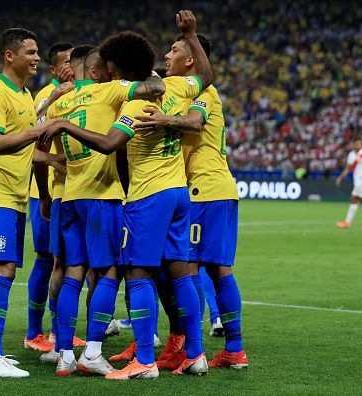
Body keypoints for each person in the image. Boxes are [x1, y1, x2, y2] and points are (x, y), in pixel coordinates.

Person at [41, 10, 213, 379]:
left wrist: (63, 119)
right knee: (181, 271)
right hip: (179, 192)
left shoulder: (131, 104)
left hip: (146, 195)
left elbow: (110, 143)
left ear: (115, 68)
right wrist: (193, 35)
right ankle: (195, 354)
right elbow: (208, 76)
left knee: (136, 272)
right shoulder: (179, 87)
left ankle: (145, 362)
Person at [41, 43, 166, 377]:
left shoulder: (60, 102)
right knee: (109, 272)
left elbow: (38, 133)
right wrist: (141, 71)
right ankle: (93, 351)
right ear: (96, 70)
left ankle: (64, 352)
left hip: (68, 196)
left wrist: (52, 99)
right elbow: (155, 86)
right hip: (102, 194)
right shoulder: (110, 89)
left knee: (72, 274)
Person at [133, 31, 248, 369]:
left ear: (192, 60)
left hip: (204, 190)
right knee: (214, 269)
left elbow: (195, 124)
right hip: (213, 191)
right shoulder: (179, 92)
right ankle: (231, 348)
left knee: (190, 270)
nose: (166, 55)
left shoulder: (206, 93)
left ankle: (191, 347)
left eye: (174, 50)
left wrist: (163, 121)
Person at [0, 28, 62, 378]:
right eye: (31, 52)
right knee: (3, 271)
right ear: (10, 56)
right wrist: (37, 132)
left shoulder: (24, 94)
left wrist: (51, 161)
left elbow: (23, 147)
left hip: (14, 197)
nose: (37, 58)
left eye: (37, 52)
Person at [24, 42, 74, 353]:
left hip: (65, 192)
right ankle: (36, 332)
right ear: (54, 69)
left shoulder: (77, 93)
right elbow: (37, 148)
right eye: (65, 62)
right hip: (44, 192)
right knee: (48, 260)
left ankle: (57, 332)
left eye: (74, 60)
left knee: (64, 262)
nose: (71, 66)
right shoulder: (47, 96)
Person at [336, 137, 362, 230]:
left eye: (360, 143)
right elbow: (348, 168)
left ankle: (347, 222)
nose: (359, 145)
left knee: (354, 198)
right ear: (354, 144)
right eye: (357, 143)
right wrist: (340, 177)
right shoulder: (351, 155)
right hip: (357, 181)